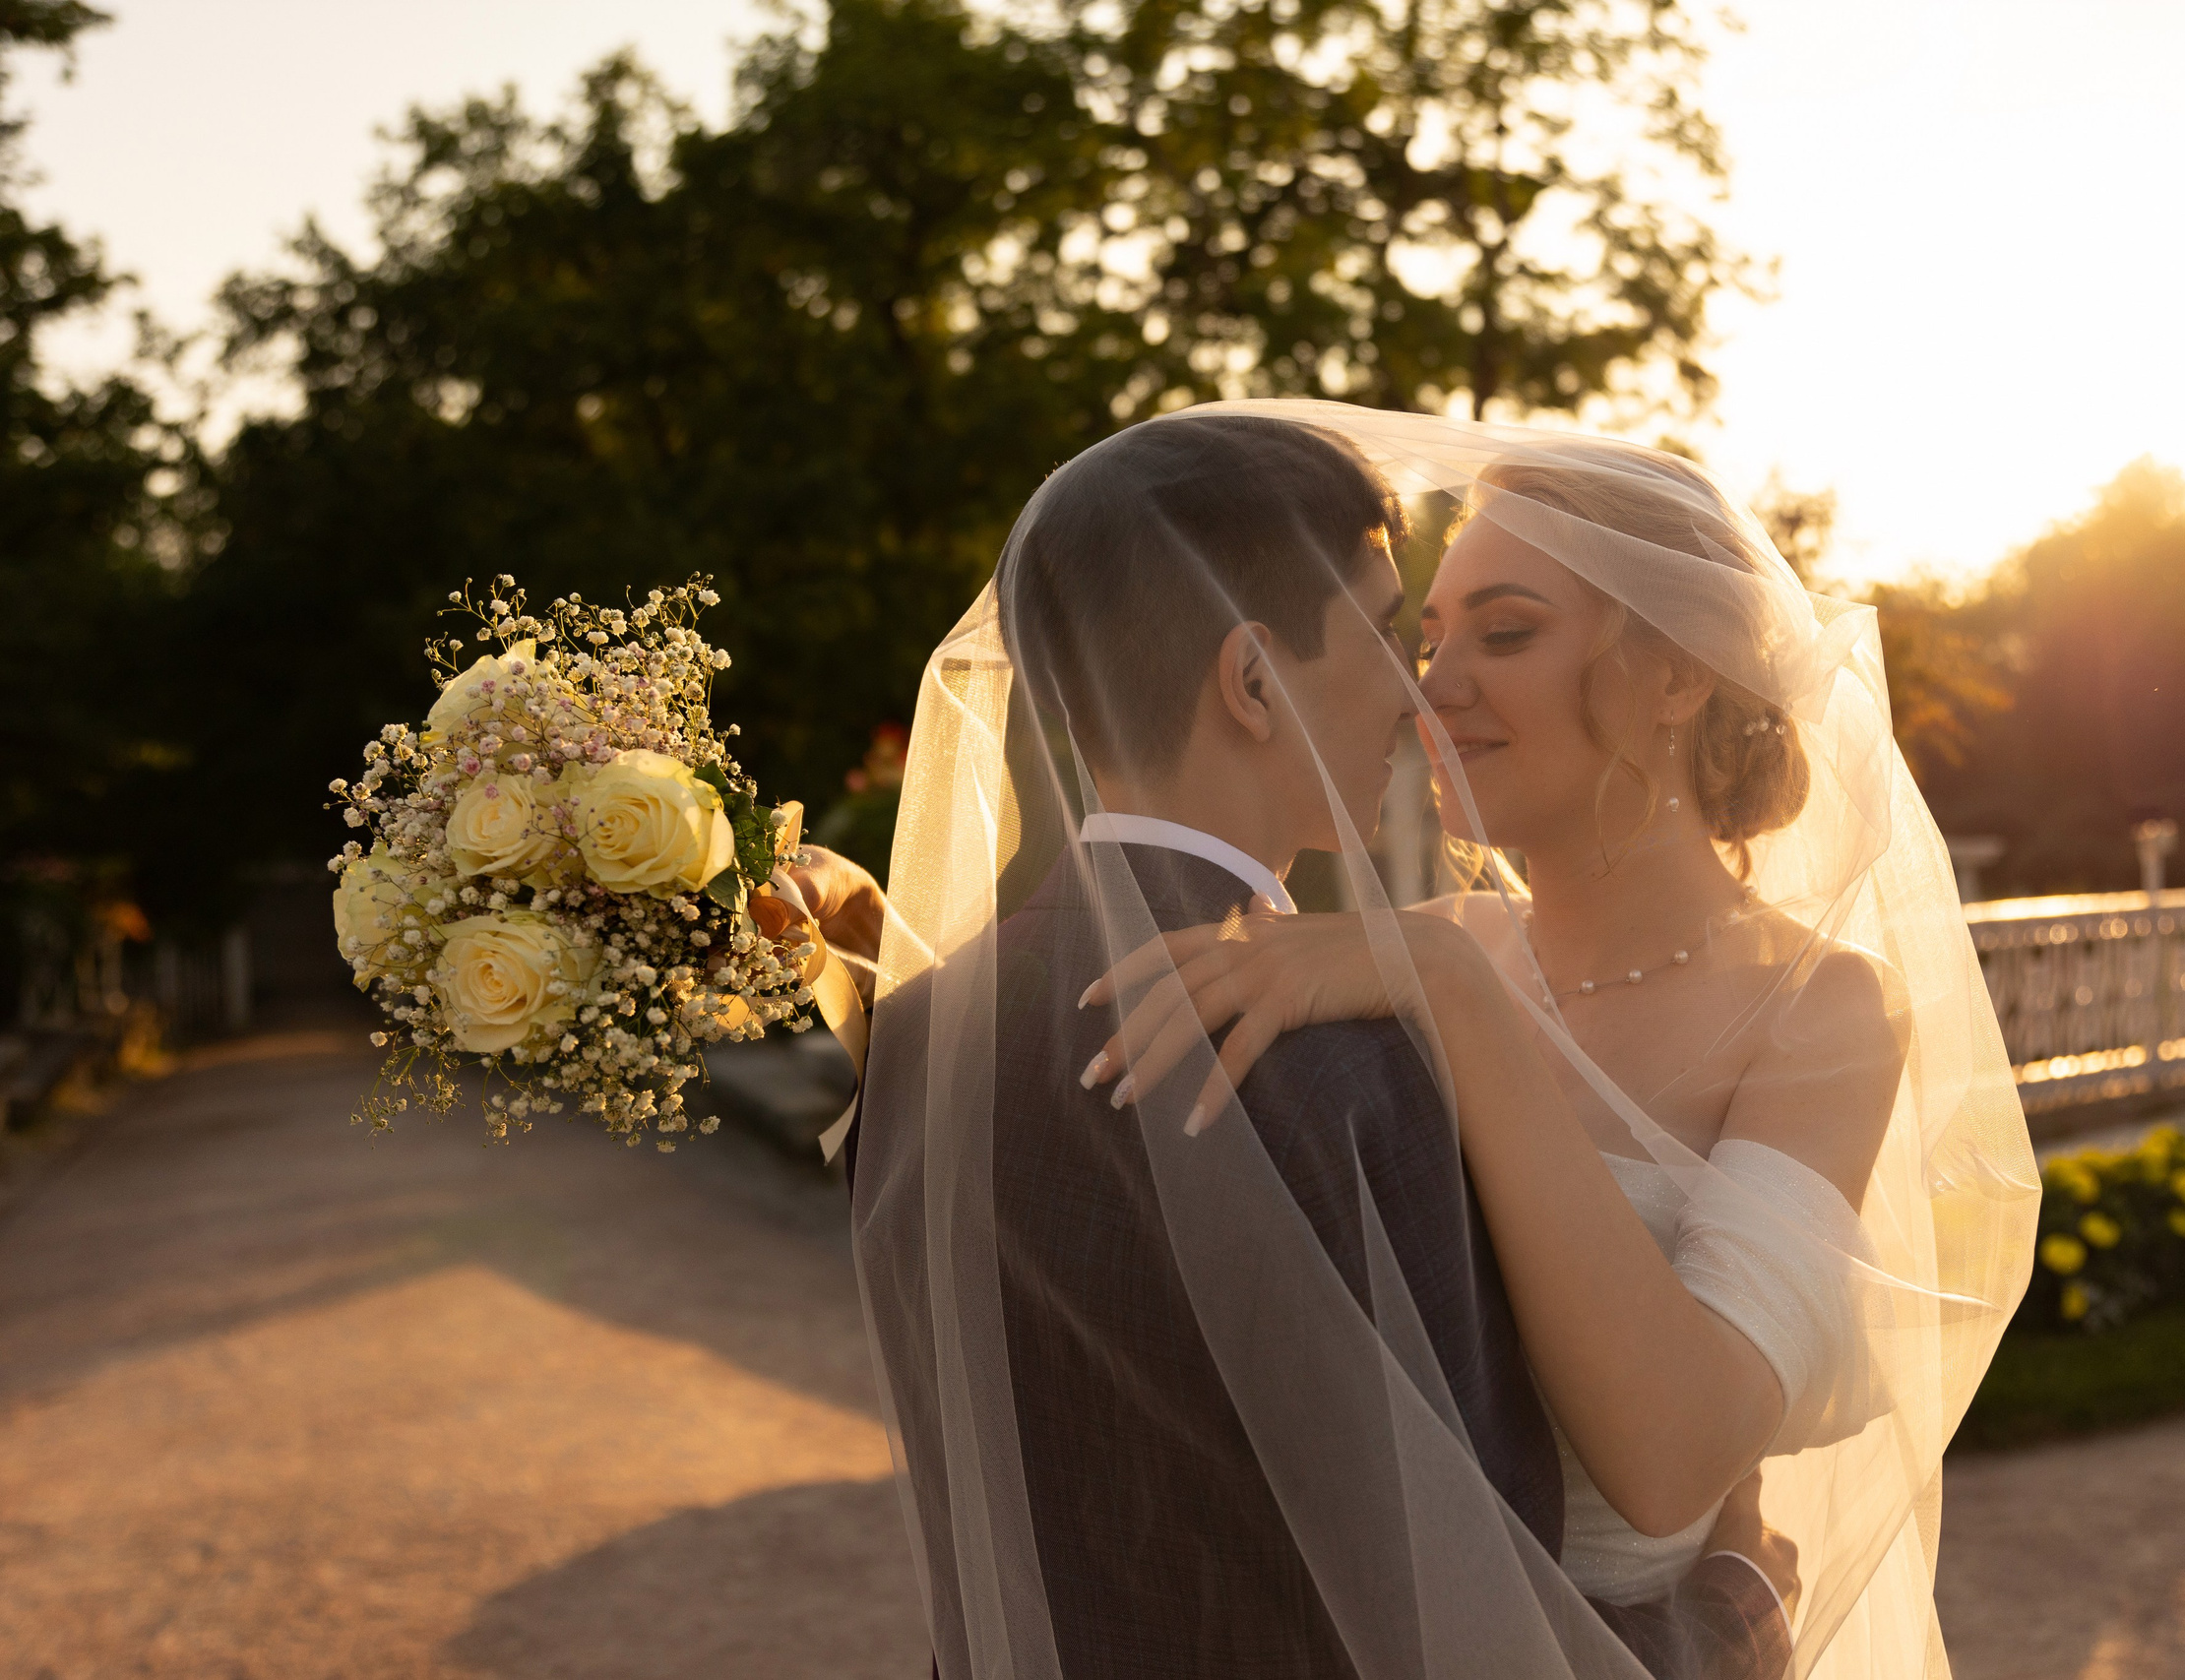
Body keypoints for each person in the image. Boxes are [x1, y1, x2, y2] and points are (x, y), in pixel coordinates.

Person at [1072, 405, 2043, 1675]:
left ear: (1680, 669)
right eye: (1423, 638)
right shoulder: (1419, 941)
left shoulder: (1819, 1010)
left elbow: (1676, 1453)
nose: (1432, 685)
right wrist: (841, 964)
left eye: (1507, 633)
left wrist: (1460, 1002)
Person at [843, 410, 1801, 1680]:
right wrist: (1735, 1609)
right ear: (1251, 683)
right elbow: (1464, 1612)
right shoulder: (1362, 1061)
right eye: (1386, 636)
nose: (1421, 698)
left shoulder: (916, 1027)